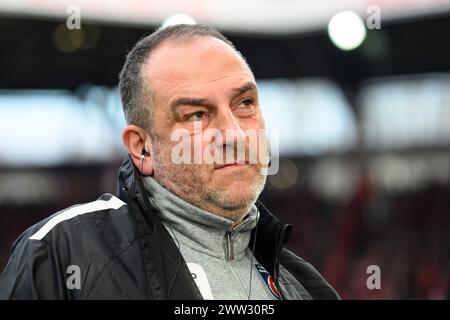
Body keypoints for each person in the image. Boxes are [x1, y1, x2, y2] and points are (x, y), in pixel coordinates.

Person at [0, 24, 339, 300]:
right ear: (141, 148)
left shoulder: (306, 287)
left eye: (245, 102)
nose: (234, 134)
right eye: (195, 115)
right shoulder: (59, 254)